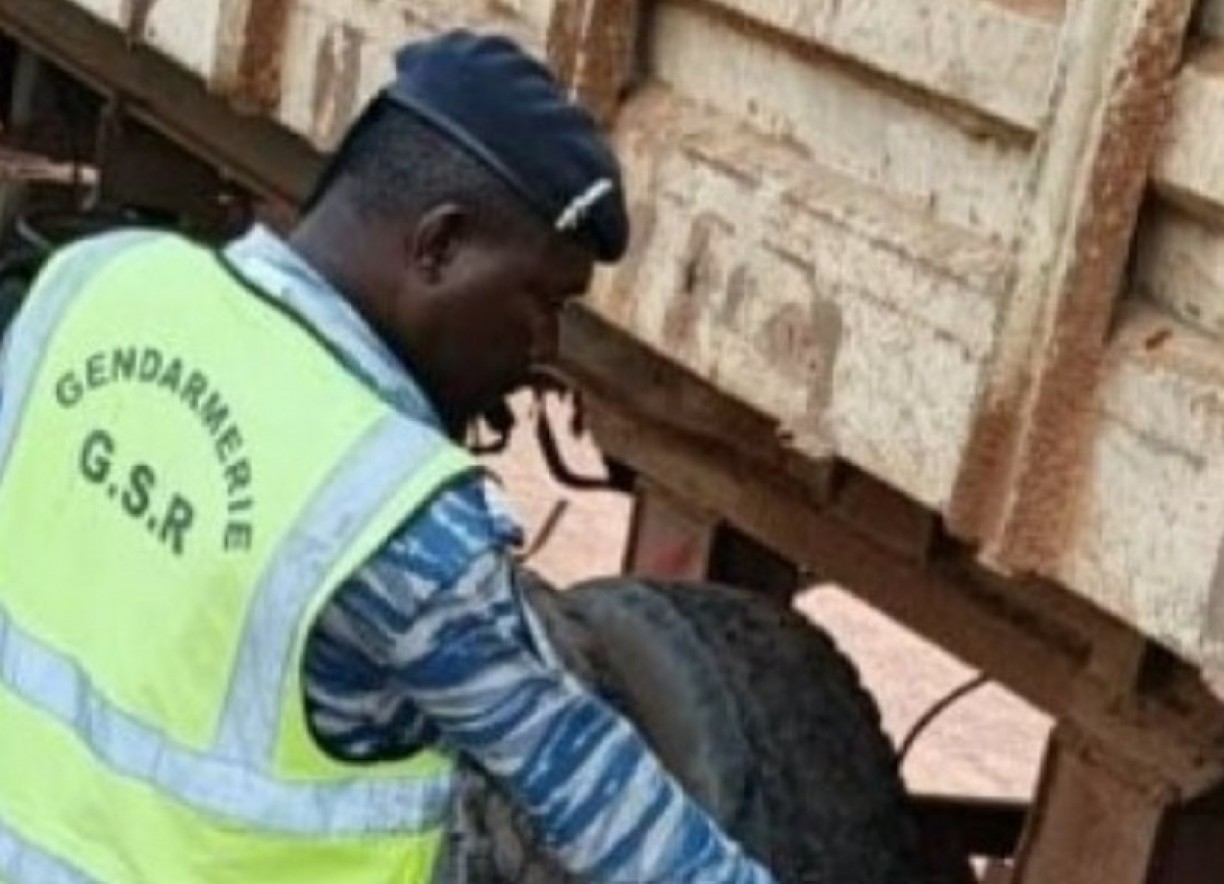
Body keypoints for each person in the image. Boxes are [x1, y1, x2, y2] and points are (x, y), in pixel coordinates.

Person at [0, 30, 777, 884]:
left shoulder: (94, 282)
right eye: (541, 300)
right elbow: (600, 796)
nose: (544, 348)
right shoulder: (385, 510)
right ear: (439, 245)